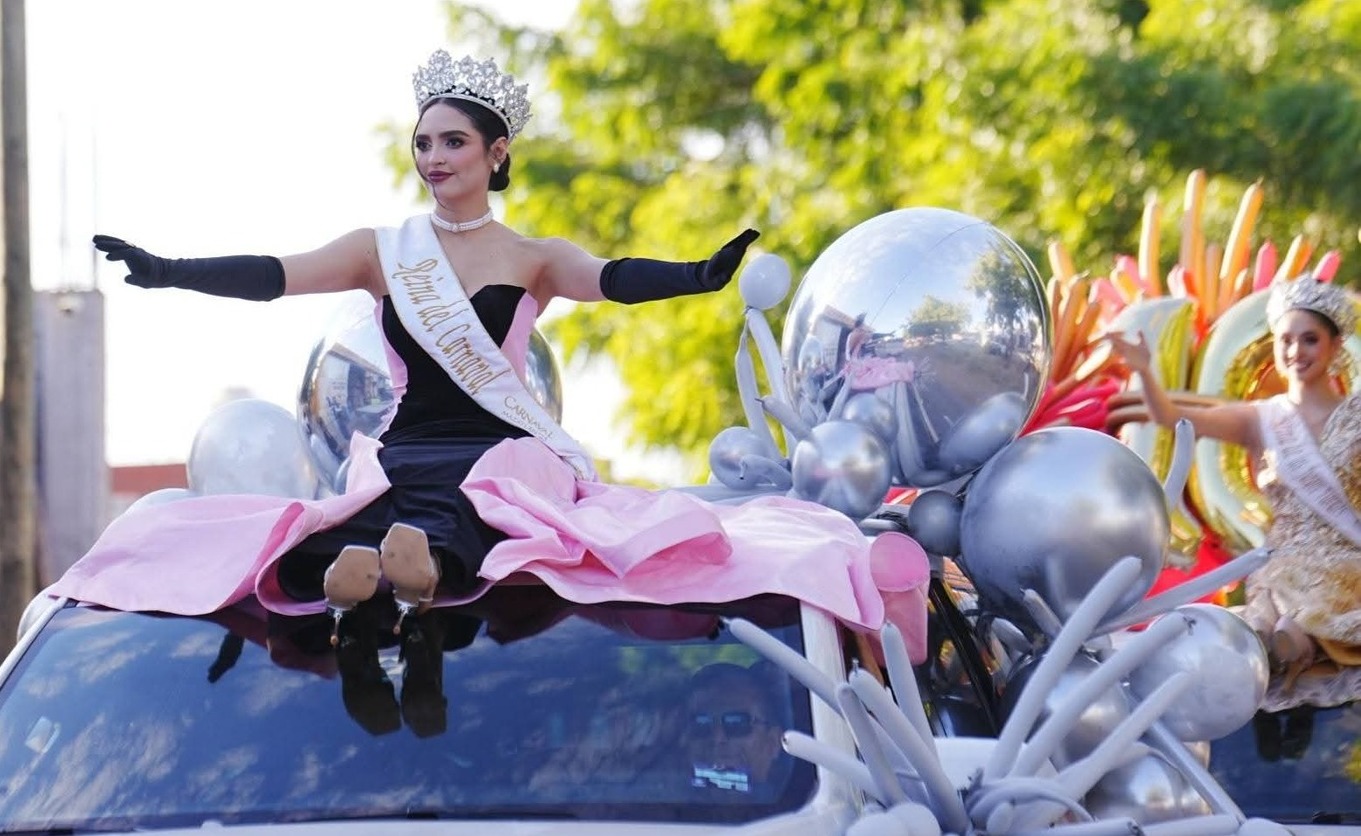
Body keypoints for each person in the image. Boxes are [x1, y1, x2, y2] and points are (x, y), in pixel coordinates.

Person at [49, 52, 918, 655]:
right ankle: (375, 607)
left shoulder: (530, 257)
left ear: (495, 153)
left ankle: (410, 588)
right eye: (423, 142)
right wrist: (167, 269)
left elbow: (612, 277)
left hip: (497, 453)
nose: (433, 157)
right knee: (343, 523)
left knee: (468, 512)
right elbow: (278, 274)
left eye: (452, 141)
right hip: (400, 449)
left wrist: (700, 272)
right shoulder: (381, 250)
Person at [1108, 274, 1361, 707]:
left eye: (1309, 340)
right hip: (1284, 569)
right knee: (1262, 634)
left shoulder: (1355, 416)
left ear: (1336, 347)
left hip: (1346, 567)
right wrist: (1144, 370)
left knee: (1296, 630)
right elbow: (1170, 417)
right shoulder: (1262, 418)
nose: (1295, 351)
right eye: (1285, 340)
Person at [683, 662, 787, 794]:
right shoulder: (660, 801)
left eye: (736, 724)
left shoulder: (807, 806)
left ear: (773, 743)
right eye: (701, 725)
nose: (717, 739)